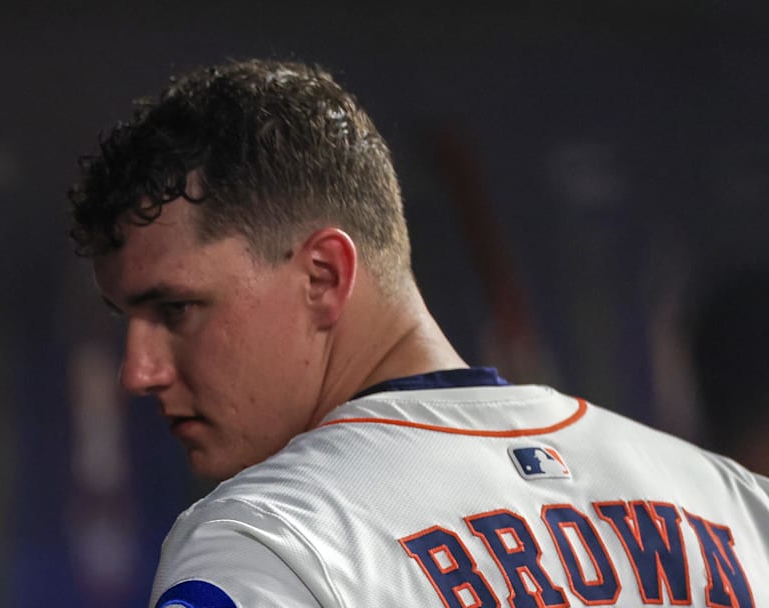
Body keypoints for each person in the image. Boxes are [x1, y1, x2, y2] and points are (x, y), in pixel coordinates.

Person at [68, 59, 769, 607]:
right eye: (127, 320)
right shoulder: (735, 504)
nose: (139, 370)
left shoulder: (272, 539)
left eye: (177, 310)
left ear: (323, 274)